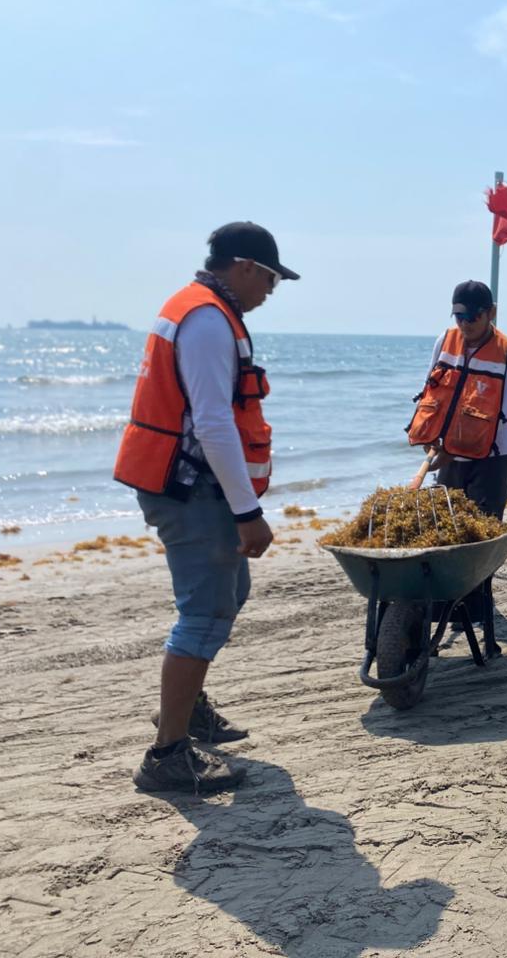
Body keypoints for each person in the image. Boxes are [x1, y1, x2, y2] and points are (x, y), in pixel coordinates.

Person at [114, 222, 299, 793]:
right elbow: (214, 422)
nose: (271, 290)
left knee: (229, 593)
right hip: (190, 488)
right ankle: (167, 754)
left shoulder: (200, 309)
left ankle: (188, 709)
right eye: (270, 278)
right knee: (205, 613)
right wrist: (248, 513)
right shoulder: (207, 319)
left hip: (191, 484)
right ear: (244, 267)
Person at [406, 280, 507, 622]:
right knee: (446, 528)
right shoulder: (445, 341)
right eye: (459, 316)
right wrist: (433, 440)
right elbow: (431, 392)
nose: (465, 324)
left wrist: (459, 449)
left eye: (473, 316)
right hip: (449, 453)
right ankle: (445, 603)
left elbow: (506, 416)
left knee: (480, 534)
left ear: (491, 313)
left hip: (493, 458)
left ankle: (476, 606)